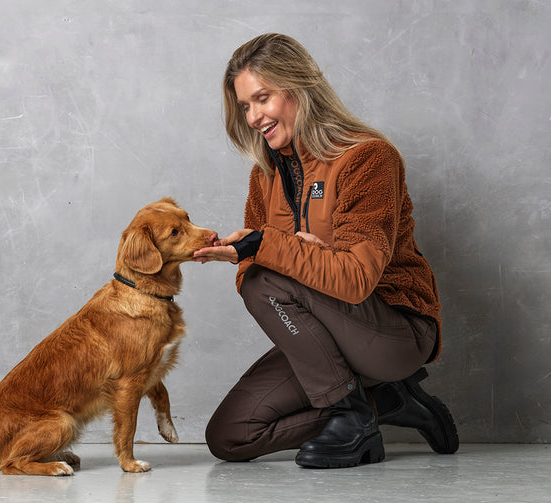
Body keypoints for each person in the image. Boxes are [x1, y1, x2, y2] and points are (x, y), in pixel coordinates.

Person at [194, 33, 458, 468]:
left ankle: (352, 417)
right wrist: (279, 253)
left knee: (267, 276)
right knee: (230, 436)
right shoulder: (265, 177)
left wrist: (270, 249)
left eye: (263, 98)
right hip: (325, 335)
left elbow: (354, 280)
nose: (254, 116)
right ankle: (386, 405)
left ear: (298, 88)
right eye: (245, 106)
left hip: (394, 331)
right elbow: (250, 275)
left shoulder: (367, 158)